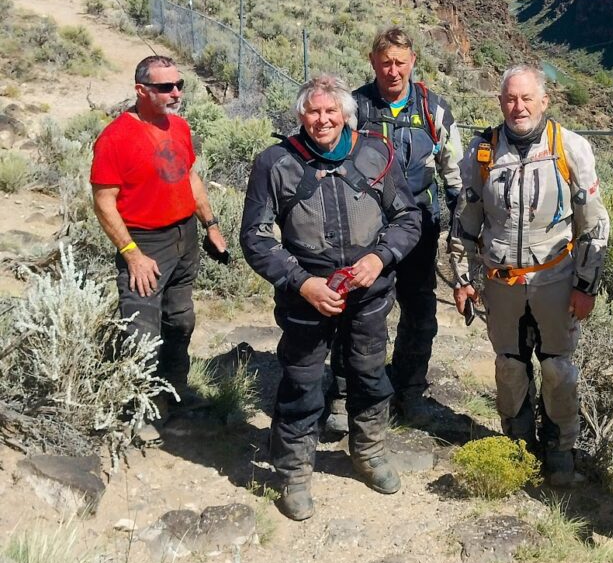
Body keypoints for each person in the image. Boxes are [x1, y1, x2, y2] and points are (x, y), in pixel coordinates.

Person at [240, 74, 420, 521]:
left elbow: (408, 218)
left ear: (345, 114)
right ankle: (294, 473)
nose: (322, 119)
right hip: (306, 292)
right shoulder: (276, 162)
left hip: (369, 290)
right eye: (313, 111)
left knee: (368, 371)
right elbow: (257, 237)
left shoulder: (375, 152)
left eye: (330, 111)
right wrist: (301, 282)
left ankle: (370, 451)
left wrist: (379, 259)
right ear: (301, 115)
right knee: (301, 381)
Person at [449, 65, 609, 486]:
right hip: (501, 283)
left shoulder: (569, 148)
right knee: (509, 366)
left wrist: (586, 286)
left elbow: (594, 224)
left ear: (544, 101)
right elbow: (465, 223)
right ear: (500, 102)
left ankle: (559, 451)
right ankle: (517, 447)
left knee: (557, 369)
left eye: (526, 99)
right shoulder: (482, 153)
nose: (517, 107)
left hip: (555, 279)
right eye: (509, 99)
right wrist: (463, 280)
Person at [324, 28, 463, 432]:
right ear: (373, 62)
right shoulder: (355, 107)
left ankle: (409, 391)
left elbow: (453, 174)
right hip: (364, 225)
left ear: (413, 62)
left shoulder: (434, 110)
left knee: (419, 310)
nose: (393, 70)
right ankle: (346, 392)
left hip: (419, 225)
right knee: (357, 307)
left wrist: (460, 226)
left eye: (400, 62)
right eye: (385, 62)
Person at [90, 55, 228, 440]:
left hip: (184, 235)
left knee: (180, 319)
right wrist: (132, 253)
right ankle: (141, 408)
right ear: (141, 91)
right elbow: (103, 201)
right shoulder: (115, 138)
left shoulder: (179, 127)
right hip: (145, 240)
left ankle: (175, 390)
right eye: (166, 87)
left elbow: (190, 177)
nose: (176, 92)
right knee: (142, 330)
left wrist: (210, 224)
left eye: (179, 84)